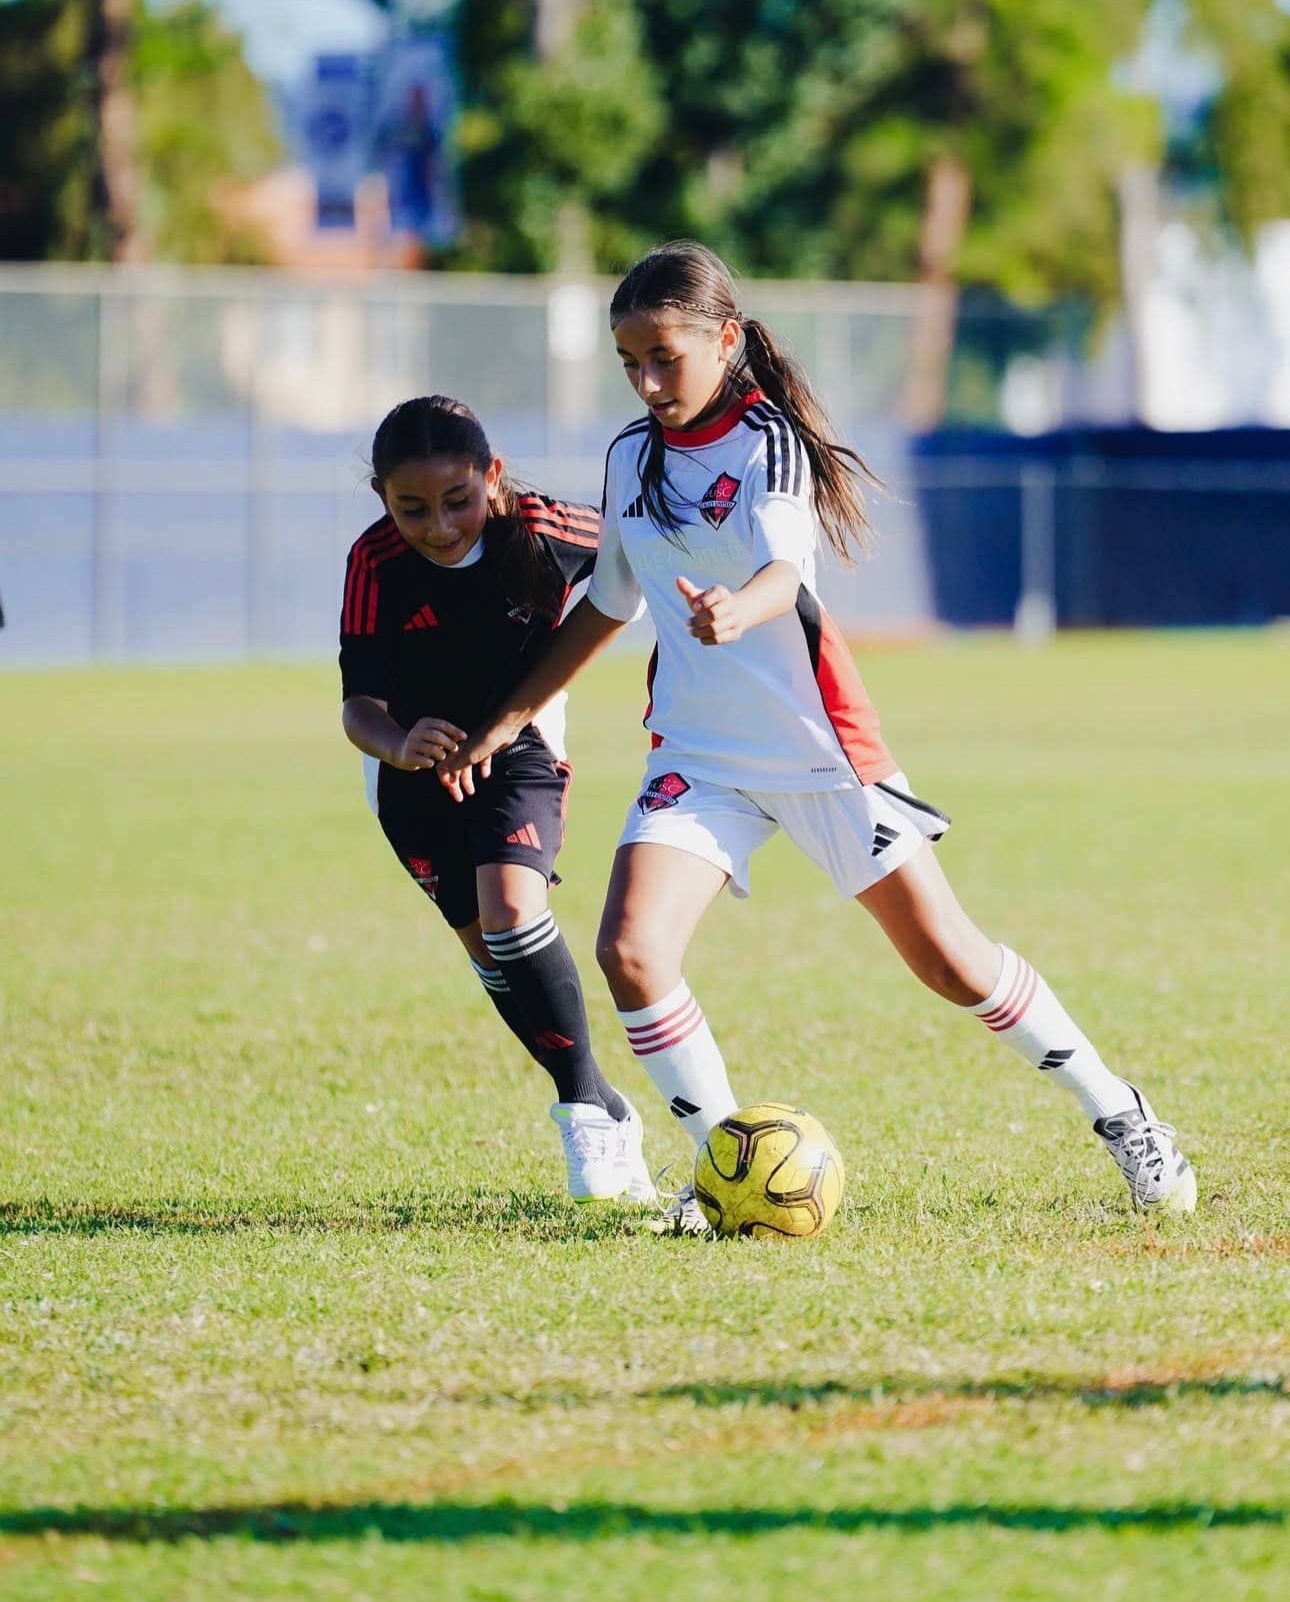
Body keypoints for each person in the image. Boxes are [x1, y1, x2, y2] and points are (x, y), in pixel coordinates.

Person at [438, 242, 1196, 1233]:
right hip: (699, 755)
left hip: (818, 750)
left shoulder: (771, 442)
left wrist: (734, 610)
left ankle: (1123, 1113)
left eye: (664, 357)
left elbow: (783, 573)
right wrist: (507, 717)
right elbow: (609, 603)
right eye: (629, 363)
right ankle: (722, 1172)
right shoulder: (630, 455)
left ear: (726, 340)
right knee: (630, 950)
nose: (647, 382)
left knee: (951, 961)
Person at [339, 394, 654, 1205]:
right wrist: (399, 742)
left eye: (458, 499)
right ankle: (606, 1102)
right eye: (412, 508)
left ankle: (582, 1111)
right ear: (382, 498)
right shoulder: (374, 560)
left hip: (521, 748)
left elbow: (637, 556)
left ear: (493, 475)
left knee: (514, 911)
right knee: (496, 959)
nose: (440, 525)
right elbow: (358, 707)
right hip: (411, 776)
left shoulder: (546, 529)